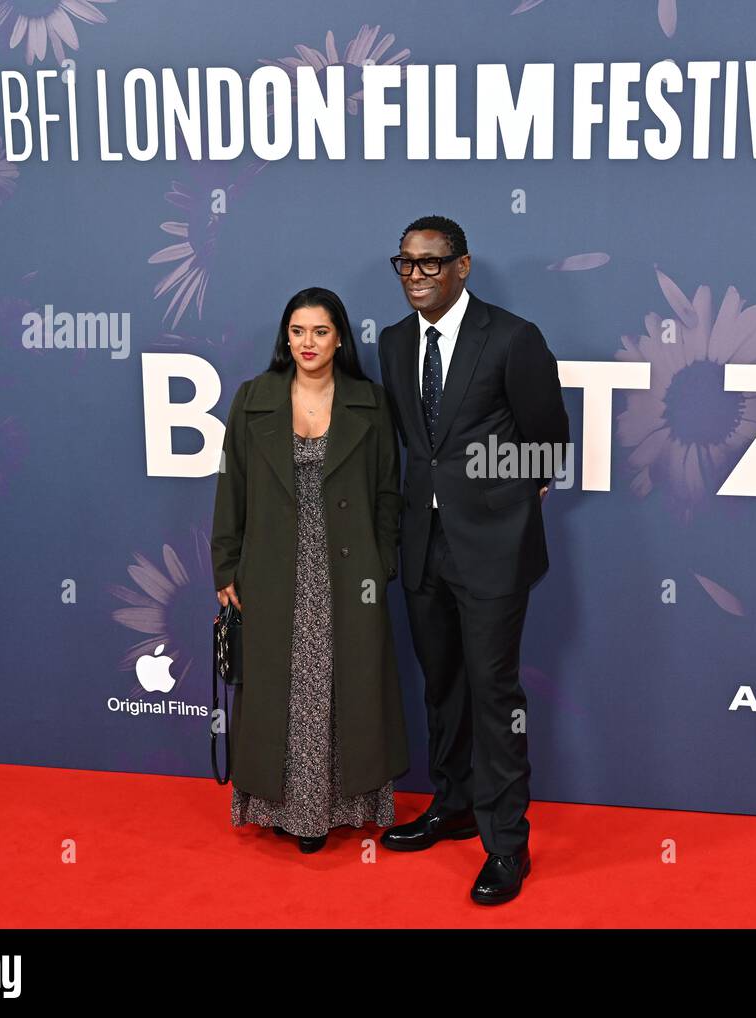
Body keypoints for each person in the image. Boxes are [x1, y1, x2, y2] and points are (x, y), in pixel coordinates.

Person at [377, 215, 570, 904]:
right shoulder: (395, 344)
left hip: (492, 552)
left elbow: (549, 445)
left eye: (431, 262)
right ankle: (452, 804)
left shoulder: (513, 338)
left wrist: (497, 505)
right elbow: (414, 447)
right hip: (422, 547)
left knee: (494, 697)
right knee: (442, 686)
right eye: (405, 263)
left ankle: (506, 847)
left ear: (462, 266)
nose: (417, 275)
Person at [211, 287, 409, 854]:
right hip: (273, 571)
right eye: (298, 331)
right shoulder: (253, 399)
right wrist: (225, 565)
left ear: (340, 337)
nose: (308, 343)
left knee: (343, 689)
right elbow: (232, 490)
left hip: (348, 575)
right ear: (286, 337)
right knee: (283, 690)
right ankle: (284, 809)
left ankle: (338, 808)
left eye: (320, 332)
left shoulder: (369, 402)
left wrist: (383, 563)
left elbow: (389, 495)